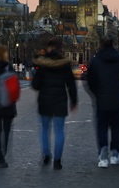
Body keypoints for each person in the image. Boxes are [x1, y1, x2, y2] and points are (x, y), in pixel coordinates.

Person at [87, 36, 119, 168]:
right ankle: (115, 154)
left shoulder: (96, 61)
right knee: (116, 127)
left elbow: (89, 80)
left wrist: (96, 93)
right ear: (113, 44)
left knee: (101, 127)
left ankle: (103, 153)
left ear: (101, 45)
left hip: (102, 100)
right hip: (117, 99)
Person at [31, 36, 77, 169]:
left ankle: (46, 155)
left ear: (49, 47)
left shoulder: (43, 64)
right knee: (59, 131)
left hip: (45, 100)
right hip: (60, 101)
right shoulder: (64, 64)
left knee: (45, 129)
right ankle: (57, 160)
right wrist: (74, 100)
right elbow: (71, 84)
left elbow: (35, 84)